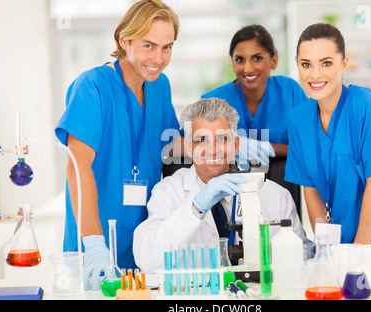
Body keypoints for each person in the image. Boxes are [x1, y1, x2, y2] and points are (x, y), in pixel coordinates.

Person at [55, 0, 182, 290]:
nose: (159, 58)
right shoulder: (92, 87)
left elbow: (171, 143)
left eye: (167, 47)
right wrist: (94, 245)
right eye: (148, 45)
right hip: (97, 243)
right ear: (124, 40)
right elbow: (77, 167)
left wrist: (223, 143)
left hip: (144, 243)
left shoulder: (160, 85)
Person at [133, 98, 313, 273]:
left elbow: (305, 252)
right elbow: (148, 260)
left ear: (235, 145)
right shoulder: (168, 192)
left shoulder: (275, 195)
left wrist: (265, 257)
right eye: (201, 139)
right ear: (188, 148)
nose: (212, 149)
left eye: (222, 139)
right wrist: (196, 207)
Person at [285, 23, 371, 269]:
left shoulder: (368, 106)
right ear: (297, 64)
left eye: (326, 63)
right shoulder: (299, 119)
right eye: (306, 64)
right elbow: (310, 190)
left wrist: (356, 261)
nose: (315, 74)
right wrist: (328, 252)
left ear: (343, 64)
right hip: (337, 251)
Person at [202, 24, 307, 168]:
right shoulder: (213, 100)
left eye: (257, 58)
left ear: (274, 61)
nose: (248, 68)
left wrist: (267, 148)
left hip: (283, 183)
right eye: (240, 60)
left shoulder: (290, 92)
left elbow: (310, 147)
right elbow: (189, 144)